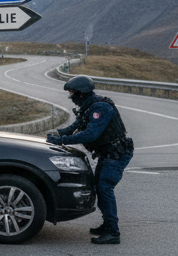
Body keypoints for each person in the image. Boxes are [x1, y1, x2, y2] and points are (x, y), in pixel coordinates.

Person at [48, 75, 134, 245]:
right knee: (99, 188)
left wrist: (62, 141)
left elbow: (90, 134)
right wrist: (58, 134)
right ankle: (107, 224)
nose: (70, 96)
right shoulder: (88, 106)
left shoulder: (100, 108)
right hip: (107, 153)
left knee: (104, 188)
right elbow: (75, 127)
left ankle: (113, 232)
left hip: (116, 154)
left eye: (72, 92)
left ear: (81, 93)